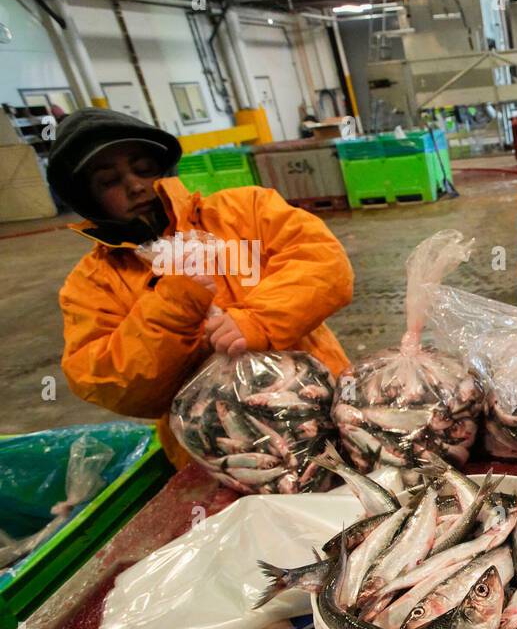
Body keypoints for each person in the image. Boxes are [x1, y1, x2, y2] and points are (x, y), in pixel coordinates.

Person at [47, 108, 353, 470]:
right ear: (87, 199)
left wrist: (258, 321)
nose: (135, 185)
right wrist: (174, 307)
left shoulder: (247, 210)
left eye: (144, 168)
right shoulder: (90, 285)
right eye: (109, 181)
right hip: (221, 455)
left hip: (327, 412)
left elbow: (325, 264)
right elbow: (115, 384)